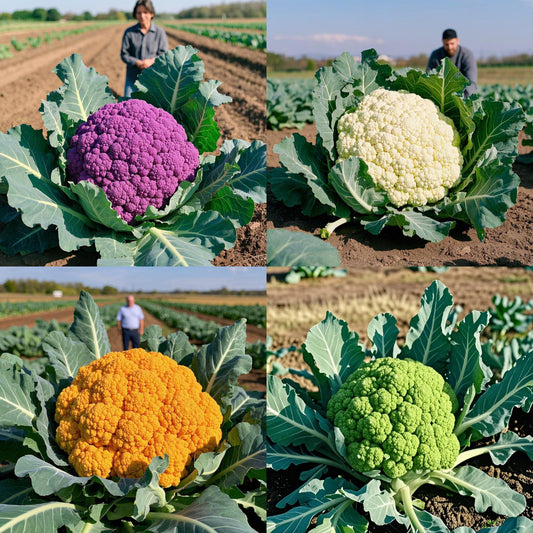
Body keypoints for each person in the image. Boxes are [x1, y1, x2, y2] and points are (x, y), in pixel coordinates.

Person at [120, 0, 168, 97]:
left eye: (145, 12)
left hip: (153, 79)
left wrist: (151, 61)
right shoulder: (129, 32)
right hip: (132, 77)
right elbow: (124, 54)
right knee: (129, 105)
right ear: (135, 14)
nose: (142, 16)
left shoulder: (159, 33)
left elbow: (164, 54)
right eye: (139, 13)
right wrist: (137, 62)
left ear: (151, 14)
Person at [426, 29, 477, 97]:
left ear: (457, 41)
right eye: (446, 44)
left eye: (452, 44)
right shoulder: (435, 55)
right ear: (442, 42)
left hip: (462, 97)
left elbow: (471, 83)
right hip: (439, 97)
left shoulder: (467, 55)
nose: (450, 47)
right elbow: (427, 79)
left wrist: (461, 102)